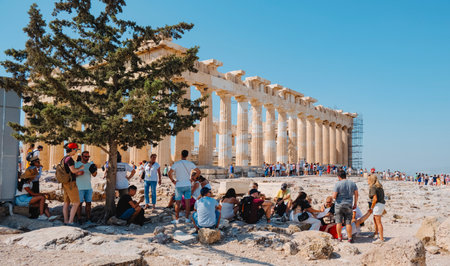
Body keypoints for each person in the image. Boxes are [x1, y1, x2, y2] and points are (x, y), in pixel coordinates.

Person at [168, 150, 201, 224]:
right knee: (187, 202)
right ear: (187, 155)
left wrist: (173, 181)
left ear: (181, 155)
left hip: (179, 185)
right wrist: (193, 179)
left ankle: (176, 219)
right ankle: (187, 218)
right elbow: (198, 171)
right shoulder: (190, 163)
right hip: (187, 185)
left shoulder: (176, 163)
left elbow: (169, 173)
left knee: (177, 203)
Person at [332, 169, 358, 243]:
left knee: (339, 222)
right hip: (349, 204)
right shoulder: (352, 183)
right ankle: (350, 238)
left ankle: (339, 238)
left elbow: (334, 196)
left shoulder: (338, 184)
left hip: (339, 205)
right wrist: (355, 203)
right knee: (348, 222)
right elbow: (356, 194)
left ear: (339, 176)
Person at [62, 143, 85, 225]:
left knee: (66, 202)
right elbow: (73, 170)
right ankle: (70, 221)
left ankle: (65, 221)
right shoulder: (69, 159)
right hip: (71, 184)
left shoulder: (64, 158)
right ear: (71, 150)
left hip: (65, 183)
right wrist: (80, 168)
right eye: (75, 150)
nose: (75, 152)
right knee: (76, 202)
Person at [75, 151, 97, 224]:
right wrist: (78, 173)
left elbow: (94, 175)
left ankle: (88, 218)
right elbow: (72, 175)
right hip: (79, 188)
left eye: (88, 157)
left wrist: (94, 169)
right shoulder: (76, 164)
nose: (87, 158)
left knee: (88, 204)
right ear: (82, 156)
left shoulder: (89, 165)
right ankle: (79, 218)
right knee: (79, 204)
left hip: (88, 187)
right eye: (85, 156)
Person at [368, 174, 386, 243]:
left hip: (377, 205)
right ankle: (375, 233)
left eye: (368, 179)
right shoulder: (379, 187)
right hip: (381, 204)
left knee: (378, 222)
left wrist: (371, 207)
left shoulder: (373, 187)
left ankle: (381, 239)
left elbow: (375, 199)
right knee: (375, 219)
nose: (367, 181)